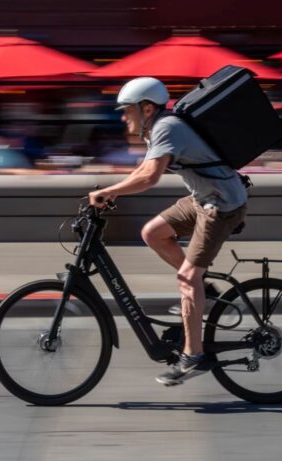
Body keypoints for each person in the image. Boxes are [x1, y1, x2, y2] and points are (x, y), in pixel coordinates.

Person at [88, 77, 248, 386]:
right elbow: (141, 170)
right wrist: (112, 191)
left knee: (187, 277)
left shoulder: (166, 127)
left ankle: (194, 355)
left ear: (147, 108)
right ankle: (207, 292)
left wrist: (111, 192)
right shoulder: (156, 129)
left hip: (223, 204)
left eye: (127, 111)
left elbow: (150, 178)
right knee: (153, 233)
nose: (123, 117)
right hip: (203, 198)